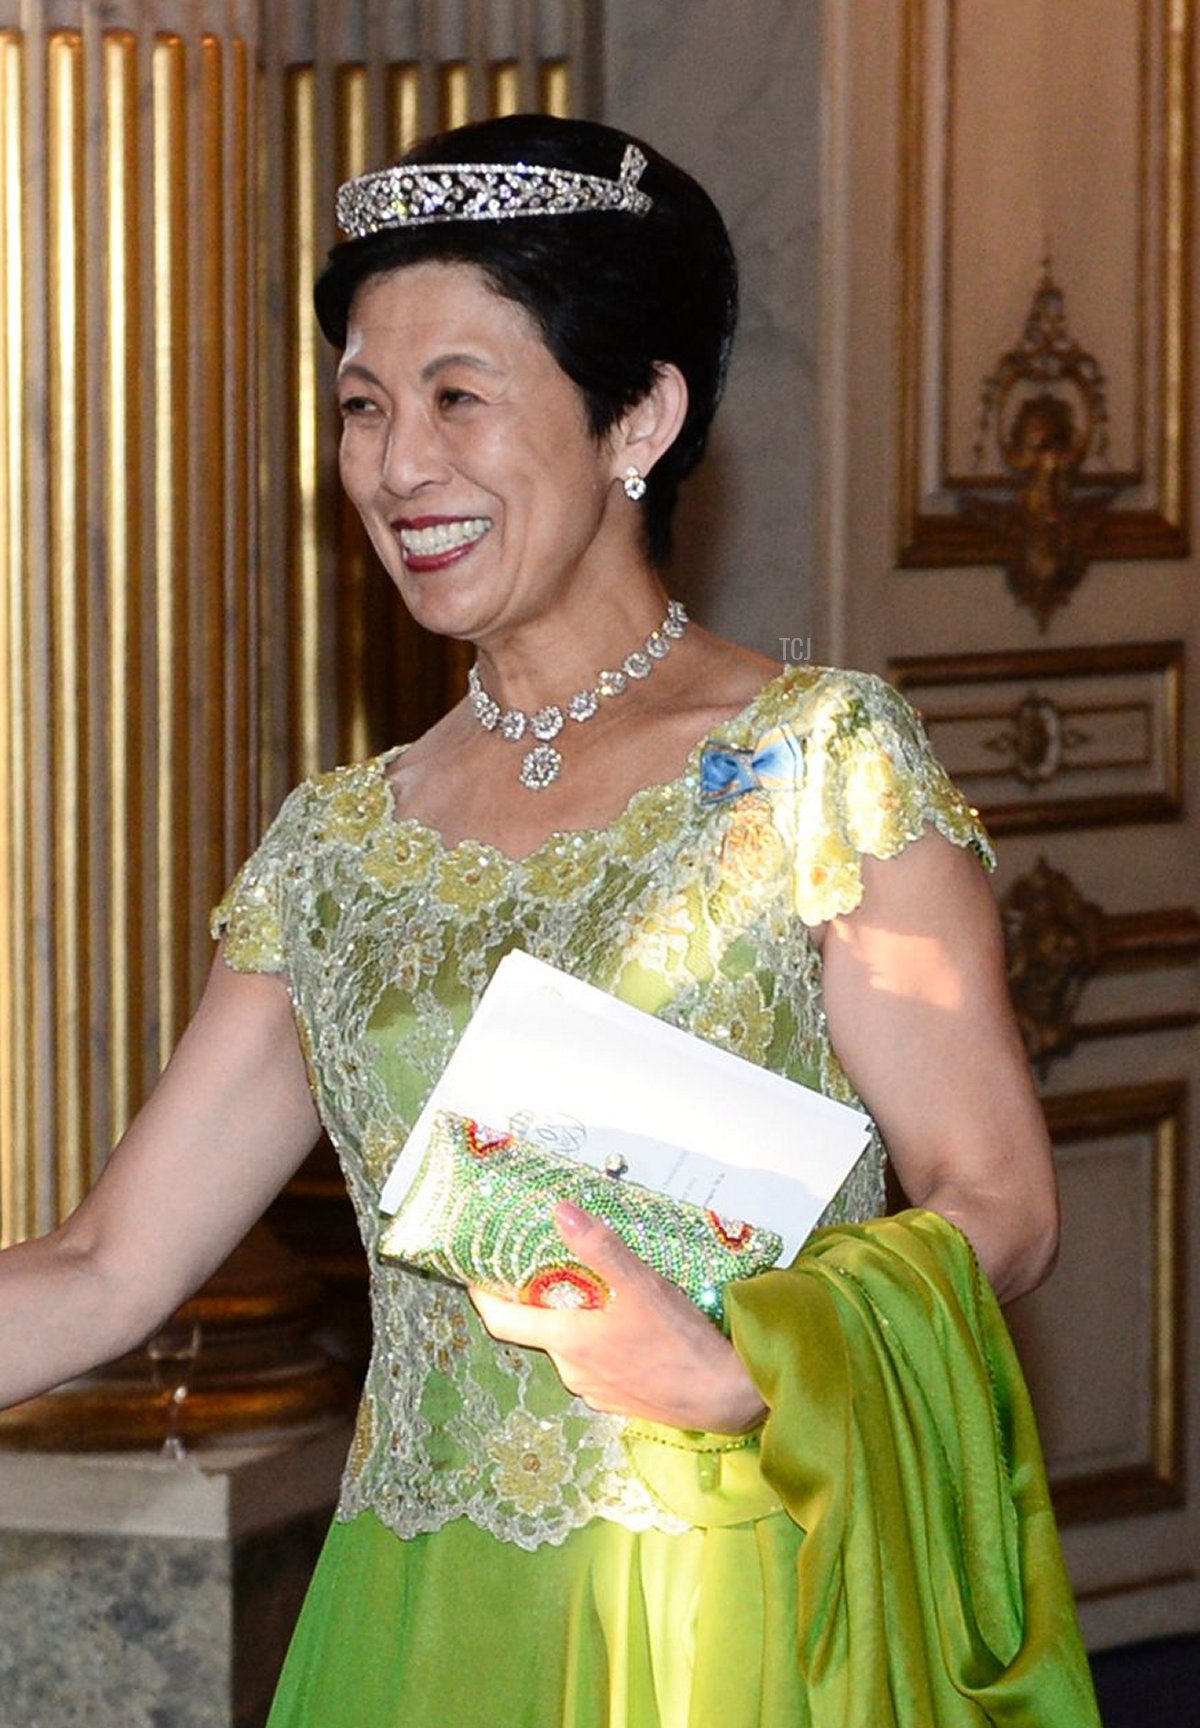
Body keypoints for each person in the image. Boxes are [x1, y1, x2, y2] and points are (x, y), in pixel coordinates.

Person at [0, 114, 1101, 1726]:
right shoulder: (337, 850)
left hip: (739, 1601)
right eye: (363, 408)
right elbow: (105, 1267)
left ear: (636, 416)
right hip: (424, 1615)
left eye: (460, 397)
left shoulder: (815, 765)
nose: (394, 466)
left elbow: (996, 1197)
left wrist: (754, 1365)